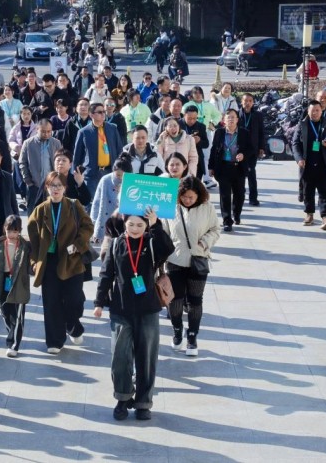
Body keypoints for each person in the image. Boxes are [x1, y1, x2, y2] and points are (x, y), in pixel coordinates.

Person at [94, 207, 174, 420]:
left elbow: (168, 248)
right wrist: (99, 302)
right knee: (120, 357)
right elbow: (105, 274)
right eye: (131, 224)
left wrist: (156, 224)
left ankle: (143, 402)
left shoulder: (151, 242)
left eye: (140, 225)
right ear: (124, 224)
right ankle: (122, 397)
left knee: (146, 357)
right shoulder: (116, 244)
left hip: (148, 309)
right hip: (121, 308)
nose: (135, 228)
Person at [28, 172, 94, 353]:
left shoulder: (74, 205)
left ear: (65, 188)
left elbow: (88, 226)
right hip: (49, 261)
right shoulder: (40, 209)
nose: (55, 189)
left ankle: (74, 325)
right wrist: (34, 261)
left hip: (72, 259)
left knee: (75, 299)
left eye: (59, 185)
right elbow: (32, 238)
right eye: (52, 185)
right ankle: (54, 341)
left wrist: (78, 245)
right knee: (51, 302)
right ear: (46, 188)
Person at [161, 176, 221, 356]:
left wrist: (204, 243)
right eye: (184, 196)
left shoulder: (207, 208)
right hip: (175, 260)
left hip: (198, 259)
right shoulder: (171, 207)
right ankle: (177, 330)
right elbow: (163, 232)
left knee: (195, 300)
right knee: (175, 299)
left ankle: (192, 336)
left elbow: (215, 229)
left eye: (191, 197)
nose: (187, 200)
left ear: (198, 196)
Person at [0, 215, 31, 357]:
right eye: (9, 231)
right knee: (5, 311)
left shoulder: (25, 246)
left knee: (17, 315)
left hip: (18, 281)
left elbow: (33, 262)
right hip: (2, 280)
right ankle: (12, 332)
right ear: (4, 229)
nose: (11, 235)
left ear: (20, 231)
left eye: (15, 232)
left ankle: (13, 344)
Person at [292, 100, 326, 230]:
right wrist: (299, 159)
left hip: (324, 164)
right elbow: (295, 143)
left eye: (318, 110)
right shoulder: (302, 125)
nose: (315, 113)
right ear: (308, 111)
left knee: (324, 192)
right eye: (313, 110)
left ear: (321, 111)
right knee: (308, 191)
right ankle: (309, 214)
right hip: (307, 164)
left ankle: (325, 217)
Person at [209, 109, 254, 232]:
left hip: (238, 167)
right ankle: (227, 221)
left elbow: (251, 148)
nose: (231, 119)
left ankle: (237, 213)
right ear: (224, 120)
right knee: (225, 195)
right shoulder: (219, 133)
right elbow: (214, 150)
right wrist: (211, 167)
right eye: (228, 117)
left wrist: (243, 155)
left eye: (233, 117)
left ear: (237, 120)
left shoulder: (244, 133)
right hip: (223, 167)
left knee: (239, 194)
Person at [73, 102, 125, 198]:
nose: (103, 114)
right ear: (91, 114)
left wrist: (120, 169)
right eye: (100, 112)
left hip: (110, 172)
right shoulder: (83, 132)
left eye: (104, 112)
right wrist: (76, 175)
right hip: (92, 174)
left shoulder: (112, 128)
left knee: (111, 201)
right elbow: (77, 156)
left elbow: (119, 150)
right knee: (92, 203)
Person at [91, 154, 134, 244]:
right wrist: (94, 222)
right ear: (113, 170)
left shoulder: (132, 181)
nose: (121, 178)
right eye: (118, 175)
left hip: (124, 222)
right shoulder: (106, 180)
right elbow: (97, 202)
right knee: (105, 252)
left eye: (124, 176)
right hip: (105, 221)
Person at [19, 119, 62, 211]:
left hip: (52, 185)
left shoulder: (56, 143)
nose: (46, 134)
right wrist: (28, 181)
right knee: (33, 212)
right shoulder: (28, 143)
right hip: (34, 184)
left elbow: (60, 161)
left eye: (49, 131)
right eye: (43, 131)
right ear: (37, 129)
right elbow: (22, 162)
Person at [239, 93, 266, 205]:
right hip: (239, 149)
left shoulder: (258, 115)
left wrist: (261, 147)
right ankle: (239, 195)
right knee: (239, 174)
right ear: (241, 102)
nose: (248, 103)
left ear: (253, 102)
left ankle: (253, 198)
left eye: (250, 101)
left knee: (251, 173)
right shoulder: (236, 114)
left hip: (252, 149)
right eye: (245, 100)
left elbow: (261, 132)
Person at [180, 106, 210, 184]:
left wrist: (199, 141)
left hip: (197, 161)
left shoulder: (201, 126)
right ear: (184, 115)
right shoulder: (177, 124)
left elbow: (206, 144)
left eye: (194, 118)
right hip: (181, 159)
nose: (192, 121)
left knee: (195, 186)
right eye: (189, 118)